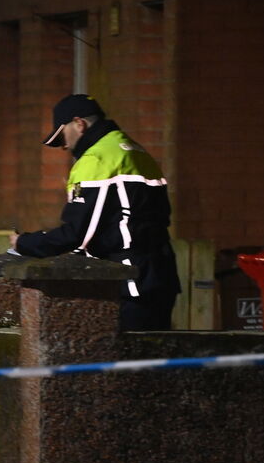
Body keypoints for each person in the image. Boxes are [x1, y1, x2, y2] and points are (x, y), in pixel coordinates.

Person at [13, 94, 181, 330]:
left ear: (79, 124)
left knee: (120, 361)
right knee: (152, 358)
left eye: (61, 136)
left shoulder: (97, 158)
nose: (63, 146)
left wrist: (25, 242)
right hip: (159, 273)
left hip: (126, 281)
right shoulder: (135, 151)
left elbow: (78, 234)